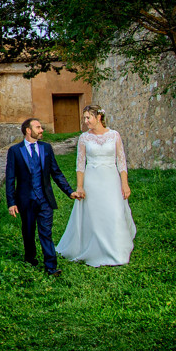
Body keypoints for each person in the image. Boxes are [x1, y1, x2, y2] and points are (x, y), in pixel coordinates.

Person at [56, 104, 137, 267]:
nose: (86, 121)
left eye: (88, 117)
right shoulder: (84, 138)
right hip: (92, 180)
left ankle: (117, 251)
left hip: (111, 180)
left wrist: (125, 184)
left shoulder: (114, 135)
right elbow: (80, 164)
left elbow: (121, 162)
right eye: (84, 118)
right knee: (95, 215)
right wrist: (80, 187)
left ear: (98, 117)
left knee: (115, 212)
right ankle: (95, 249)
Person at [6, 117, 79, 276]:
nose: (41, 130)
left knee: (46, 232)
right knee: (28, 232)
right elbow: (10, 178)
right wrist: (11, 202)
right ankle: (30, 259)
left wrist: (69, 191)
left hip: (45, 199)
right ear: (28, 130)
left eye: (41, 128)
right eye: (38, 127)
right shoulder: (15, 151)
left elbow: (56, 172)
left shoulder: (46, 148)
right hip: (26, 200)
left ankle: (51, 267)